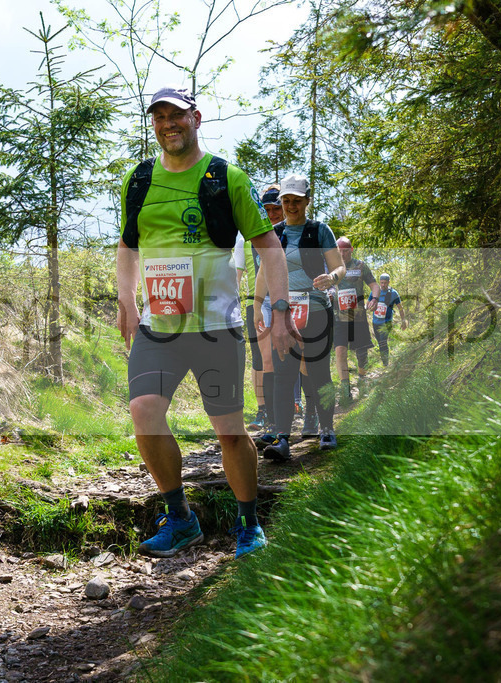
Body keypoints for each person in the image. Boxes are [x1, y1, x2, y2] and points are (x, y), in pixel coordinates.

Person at [117, 86, 299, 560]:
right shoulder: (138, 180)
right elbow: (127, 246)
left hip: (216, 328)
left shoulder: (226, 178)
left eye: (175, 115)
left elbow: (269, 249)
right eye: (158, 117)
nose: (167, 124)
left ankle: (249, 524)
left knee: (230, 432)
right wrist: (127, 300)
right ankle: (180, 518)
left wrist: (279, 313)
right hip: (160, 327)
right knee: (144, 412)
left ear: (195, 118)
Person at [254, 173, 346, 459]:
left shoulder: (320, 230)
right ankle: (282, 438)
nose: (291, 206)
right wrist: (257, 303)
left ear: (307, 201)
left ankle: (327, 429)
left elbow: (339, 267)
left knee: (318, 371)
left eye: (297, 201)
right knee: (284, 373)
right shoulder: (275, 233)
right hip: (284, 312)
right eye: (287, 201)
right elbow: (263, 271)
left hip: (317, 308)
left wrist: (331, 278)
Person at [236, 184, 283, 432]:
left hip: (286, 300)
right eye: (268, 209)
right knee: (260, 360)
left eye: (277, 208)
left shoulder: (289, 234)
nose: (273, 213)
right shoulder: (246, 238)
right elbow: (238, 272)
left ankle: (292, 405)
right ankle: (264, 411)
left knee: (290, 355)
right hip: (254, 302)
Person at [332, 236, 380, 405]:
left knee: (361, 352)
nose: (343, 254)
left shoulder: (360, 266)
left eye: (346, 251)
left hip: (358, 317)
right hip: (338, 318)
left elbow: (374, 285)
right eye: (340, 251)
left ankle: (362, 380)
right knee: (340, 351)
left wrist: (374, 299)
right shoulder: (332, 267)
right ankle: (345, 391)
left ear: (351, 250)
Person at [371, 272, 408, 367]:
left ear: (389, 282)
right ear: (379, 282)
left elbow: (400, 308)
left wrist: (403, 320)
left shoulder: (393, 293)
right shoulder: (375, 292)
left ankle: (385, 364)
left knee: (383, 342)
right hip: (375, 322)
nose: (383, 285)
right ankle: (384, 361)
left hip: (386, 322)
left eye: (385, 283)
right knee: (380, 342)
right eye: (381, 282)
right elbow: (368, 304)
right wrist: (369, 306)